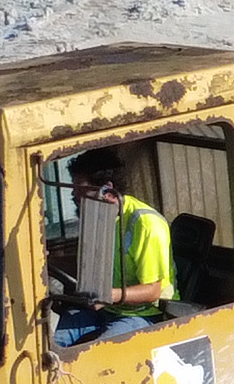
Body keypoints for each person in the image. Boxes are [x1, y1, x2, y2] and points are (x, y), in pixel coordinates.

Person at [56, 148, 177, 347]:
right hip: (106, 309)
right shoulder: (97, 217)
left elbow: (153, 291)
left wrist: (110, 295)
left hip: (145, 315)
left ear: (107, 190)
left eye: (80, 188)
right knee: (52, 344)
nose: (74, 194)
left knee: (100, 352)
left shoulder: (146, 224)